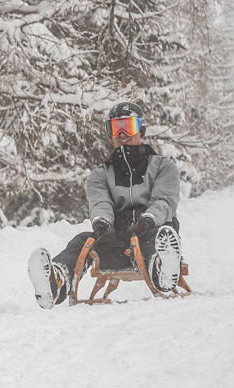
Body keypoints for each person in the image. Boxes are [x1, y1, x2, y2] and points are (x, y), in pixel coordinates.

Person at [29, 102, 184, 306]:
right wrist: (102, 224)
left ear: (140, 128)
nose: (121, 134)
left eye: (127, 126)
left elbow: (164, 200)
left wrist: (147, 221)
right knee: (82, 242)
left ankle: (162, 267)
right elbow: (99, 201)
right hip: (117, 240)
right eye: (115, 128)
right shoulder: (99, 175)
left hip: (152, 231)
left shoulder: (163, 167)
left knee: (156, 239)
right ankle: (56, 280)